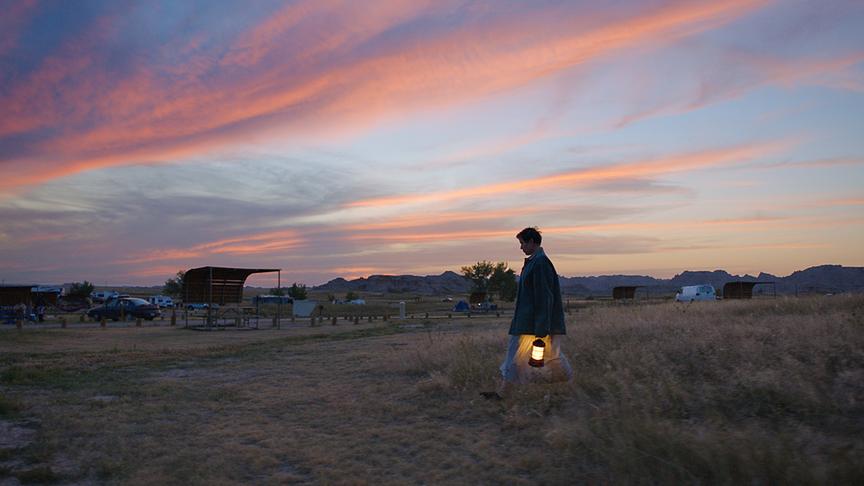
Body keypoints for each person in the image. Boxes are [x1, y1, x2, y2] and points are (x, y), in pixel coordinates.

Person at [483, 227, 573, 399]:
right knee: (540, 354)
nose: (521, 247)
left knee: (532, 354)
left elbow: (544, 297)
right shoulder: (534, 262)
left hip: (531, 322)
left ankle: (503, 393)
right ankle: (504, 392)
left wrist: (542, 327)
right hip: (527, 321)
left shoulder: (540, 264)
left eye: (522, 243)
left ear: (532, 242)